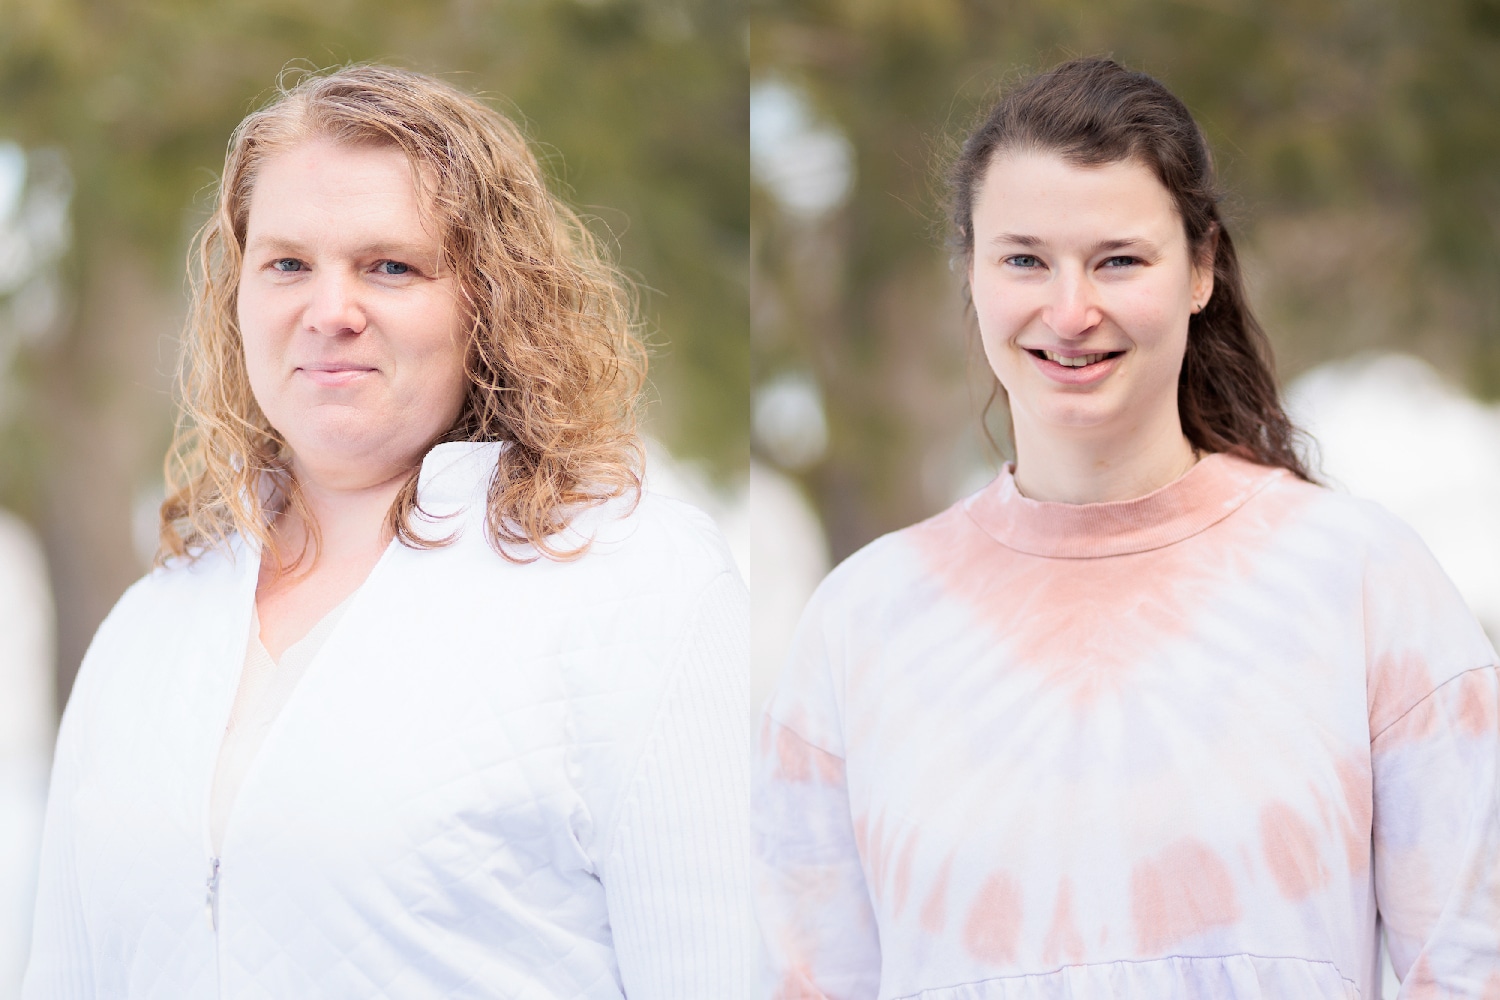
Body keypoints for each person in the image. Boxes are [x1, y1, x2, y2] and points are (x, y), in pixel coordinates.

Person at [754, 58, 1500, 998]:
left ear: (1201, 269)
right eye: (1024, 259)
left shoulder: (1361, 581)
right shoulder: (861, 623)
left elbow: (1476, 962)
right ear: (971, 274)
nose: (1071, 312)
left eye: (1119, 260)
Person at [24, 64, 753, 998]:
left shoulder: (637, 583)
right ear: (236, 294)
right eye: (287, 263)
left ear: (488, 298)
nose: (330, 311)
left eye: (390, 266)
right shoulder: (152, 623)